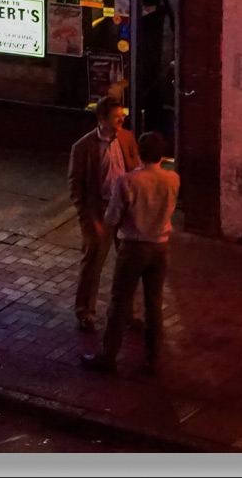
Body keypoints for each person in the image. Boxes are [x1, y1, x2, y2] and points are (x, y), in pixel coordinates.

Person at [83, 132, 178, 375]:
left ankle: (108, 355)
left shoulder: (127, 181)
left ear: (139, 153)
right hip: (161, 245)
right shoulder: (173, 179)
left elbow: (112, 217)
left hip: (134, 247)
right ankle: (153, 358)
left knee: (119, 300)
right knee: (154, 303)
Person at [68, 96, 141, 333]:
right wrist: (87, 220)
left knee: (128, 264)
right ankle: (85, 312)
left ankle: (128, 313)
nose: (122, 119)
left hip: (125, 210)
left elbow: (135, 168)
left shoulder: (127, 138)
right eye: (116, 116)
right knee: (93, 264)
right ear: (101, 119)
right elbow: (76, 187)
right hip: (100, 211)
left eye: (122, 114)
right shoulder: (83, 147)